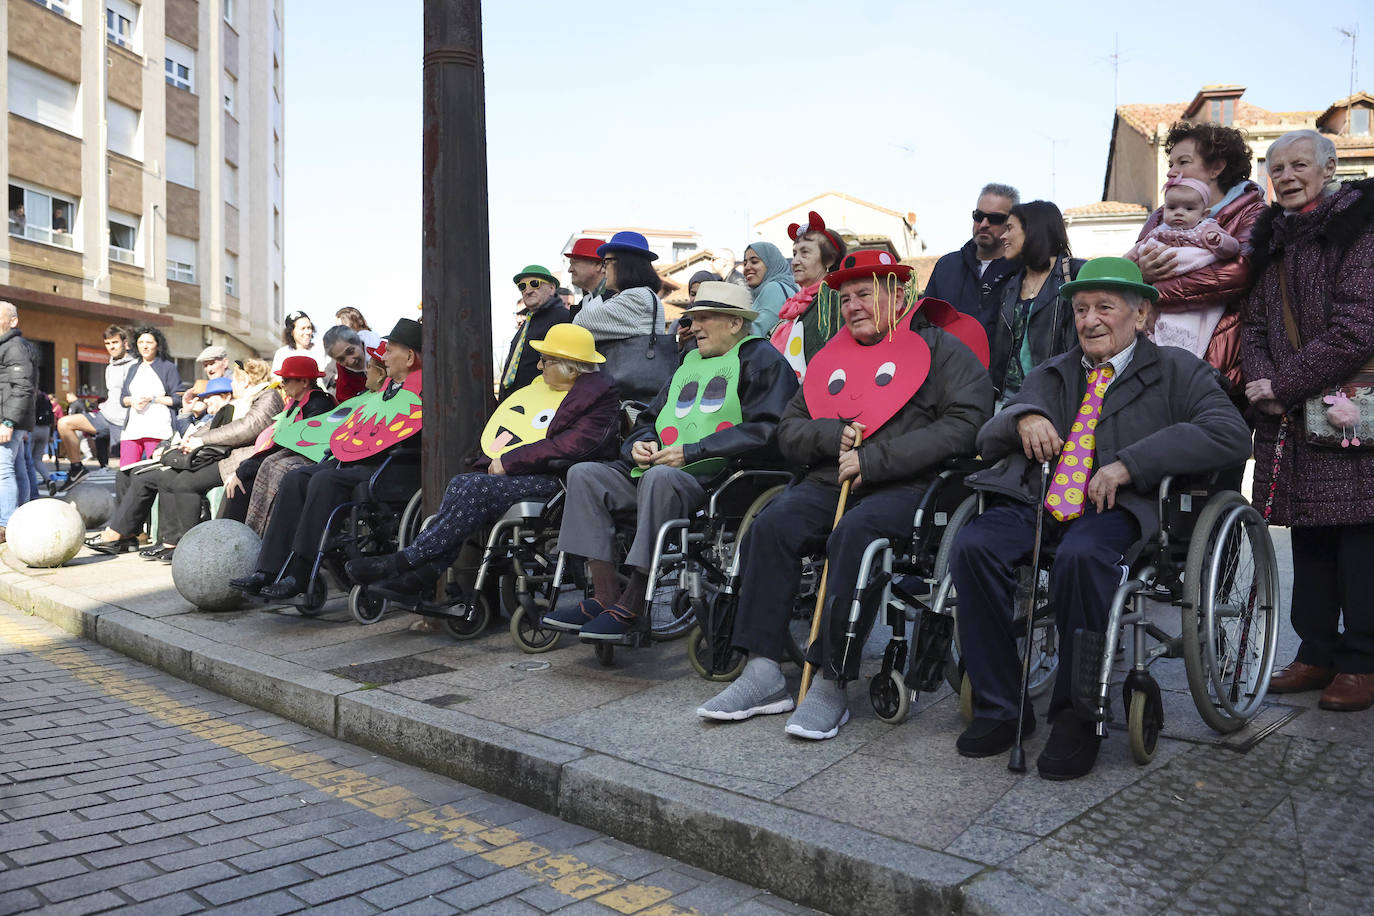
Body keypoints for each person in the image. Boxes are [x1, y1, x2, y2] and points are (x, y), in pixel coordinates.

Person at [950, 257, 1251, 779]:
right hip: (1038, 501)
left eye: (1105, 308)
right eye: (1082, 309)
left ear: (1141, 315)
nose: (1089, 320)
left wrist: (1132, 463)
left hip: (1119, 509)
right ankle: (1002, 707)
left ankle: (1077, 715)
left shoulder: (1177, 370)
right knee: (974, 546)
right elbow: (986, 437)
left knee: (1082, 557)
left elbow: (1230, 434)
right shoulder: (1055, 371)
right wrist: (1025, 417)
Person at [695, 252, 993, 740]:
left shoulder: (942, 351)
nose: (853, 306)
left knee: (855, 534)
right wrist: (831, 436)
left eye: (866, 294)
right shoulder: (829, 358)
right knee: (771, 525)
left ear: (898, 296)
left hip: (909, 486)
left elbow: (966, 424)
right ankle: (764, 671)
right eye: (846, 297)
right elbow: (789, 430)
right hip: (826, 481)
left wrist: (875, 460)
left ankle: (832, 679)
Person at [544, 282, 797, 640]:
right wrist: (639, 443)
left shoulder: (762, 360)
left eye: (704, 318)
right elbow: (650, 419)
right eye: (693, 318)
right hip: (662, 470)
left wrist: (694, 451)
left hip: (722, 479)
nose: (693, 326)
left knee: (660, 478)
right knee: (584, 474)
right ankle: (603, 597)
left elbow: (770, 429)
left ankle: (632, 604)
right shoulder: (688, 360)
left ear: (735, 323)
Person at [1242, 131, 1374, 712]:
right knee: (1309, 538)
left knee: (1360, 540)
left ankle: (1362, 661)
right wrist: (1263, 384)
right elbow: (1252, 326)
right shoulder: (1273, 238)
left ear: (1329, 168)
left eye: (1299, 164)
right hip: (1292, 420)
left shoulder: (1360, 228)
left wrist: (1284, 383)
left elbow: (1357, 327)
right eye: (1277, 167)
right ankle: (1315, 653)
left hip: (1349, 412)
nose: (1287, 175)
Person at [346, 324, 622, 594]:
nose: (539, 367)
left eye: (545, 361)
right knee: (463, 482)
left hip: (562, 482)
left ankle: (407, 561)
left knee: (475, 487)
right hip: (536, 473)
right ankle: (426, 570)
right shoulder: (552, 390)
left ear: (570, 368)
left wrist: (510, 461)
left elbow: (571, 446)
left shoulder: (599, 398)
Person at [231, 319, 425, 600]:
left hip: (391, 468)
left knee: (324, 479)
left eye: (390, 349)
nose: (382, 355)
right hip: (361, 462)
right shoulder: (387, 389)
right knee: (296, 477)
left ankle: (299, 571)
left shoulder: (421, 391)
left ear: (409, 357)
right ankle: (268, 569)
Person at [1133, 122, 1266, 391]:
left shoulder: (1252, 212)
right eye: (1171, 163)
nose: (1171, 171)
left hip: (1221, 353)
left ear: (1216, 167)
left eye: (1182, 161)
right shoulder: (1162, 215)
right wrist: (1139, 274)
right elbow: (1133, 262)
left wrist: (1151, 289)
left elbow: (1237, 274)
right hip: (1155, 346)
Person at [137, 359, 284, 561]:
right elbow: (216, 425)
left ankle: (190, 546)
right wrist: (192, 438)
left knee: (185, 483)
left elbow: (247, 427)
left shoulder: (268, 397)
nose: (231, 384)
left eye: (234, 380)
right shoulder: (244, 400)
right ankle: (174, 541)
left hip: (242, 459)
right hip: (225, 455)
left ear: (247, 381)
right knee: (170, 478)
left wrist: (201, 440)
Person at [85, 378, 236, 554]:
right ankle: (129, 535)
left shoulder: (217, 415)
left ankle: (119, 534)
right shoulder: (200, 415)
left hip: (197, 462)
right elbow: (174, 437)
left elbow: (196, 437)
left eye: (202, 398)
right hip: (182, 456)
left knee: (151, 478)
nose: (200, 400)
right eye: (200, 397)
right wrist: (164, 446)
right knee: (124, 475)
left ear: (226, 396)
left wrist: (186, 415)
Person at [1126, 178, 1242, 357]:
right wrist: (1127, 267)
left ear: (1204, 214)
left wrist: (1218, 242)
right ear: (1164, 210)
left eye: (1189, 209)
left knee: (1182, 331)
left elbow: (1232, 248)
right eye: (1172, 208)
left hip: (1190, 290)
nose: (1179, 213)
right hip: (1160, 290)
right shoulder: (1157, 231)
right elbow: (1134, 254)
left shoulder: (1206, 229)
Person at [227, 356, 338, 533]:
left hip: (304, 462)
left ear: (303, 381)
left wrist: (245, 469)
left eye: (286, 380)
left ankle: (247, 538)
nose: (282, 384)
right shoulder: (294, 403)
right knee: (239, 484)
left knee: (243, 485)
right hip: (280, 457)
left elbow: (292, 444)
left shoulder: (318, 404)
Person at [990, 201, 1083, 400]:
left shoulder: (1076, 275)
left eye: (1009, 228)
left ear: (1033, 229)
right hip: (1008, 399)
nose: (1002, 236)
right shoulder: (1010, 286)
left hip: (1056, 398)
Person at [574, 231, 672, 402]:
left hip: (631, 401)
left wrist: (598, 293)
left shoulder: (637, 298)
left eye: (607, 262)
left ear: (625, 263)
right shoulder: (636, 296)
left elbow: (580, 324)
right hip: (631, 396)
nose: (603, 270)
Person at [923, 183, 1021, 336]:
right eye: (979, 216)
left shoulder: (1023, 270)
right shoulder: (947, 266)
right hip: (949, 359)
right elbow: (923, 323)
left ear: (1012, 223)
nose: (984, 224)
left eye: (995, 218)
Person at [770, 210, 847, 381]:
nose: (795, 261)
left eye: (805, 253)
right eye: (794, 253)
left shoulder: (833, 301)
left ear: (829, 260)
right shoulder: (798, 305)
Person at [55, 325, 134, 488]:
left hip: (125, 424)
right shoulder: (110, 367)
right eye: (107, 343)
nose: (111, 347)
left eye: (115, 342)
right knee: (64, 423)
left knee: (128, 476)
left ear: (125, 343)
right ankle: (77, 468)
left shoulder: (135, 365)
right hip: (105, 417)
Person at [500, 265, 571, 402]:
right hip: (517, 403)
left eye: (534, 284)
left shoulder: (563, 318)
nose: (528, 291)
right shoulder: (528, 321)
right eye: (522, 287)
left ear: (551, 288)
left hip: (541, 405)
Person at [117, 327, 182, 467]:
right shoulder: (133, 368)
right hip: (132, 429)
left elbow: (177, 399)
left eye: (149, 342)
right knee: (126, 470)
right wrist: (132, 401)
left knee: (155, 470)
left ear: (157, 345)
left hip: (158, 427)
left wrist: (152, 399)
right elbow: (123, 398)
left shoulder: (168, 367)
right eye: (141, 342)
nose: (145, 346)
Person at [0, 302, 37, 541]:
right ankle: (20, 517)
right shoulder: (10, 346)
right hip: (13, 418)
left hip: (7, 419)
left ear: (13, 321)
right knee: (19, 468)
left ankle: (6, 524)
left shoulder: (14, 347)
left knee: (3, 470)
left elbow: (23, 386)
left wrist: (9, 421)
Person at [740, 242, 798, 338]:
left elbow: (757, 333)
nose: (746, 268)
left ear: (771, 263)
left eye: (754, 262)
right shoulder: (784, 285)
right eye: (745, 263)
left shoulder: (774, 288)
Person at [322, 325, 370, 402]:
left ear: (359, 343)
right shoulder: (344, 374)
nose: (351, 361)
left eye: (350, 351)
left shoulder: (381, 352)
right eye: (341, 359)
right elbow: (347, 404)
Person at [565, 237, 607, 321]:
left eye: (574, 263)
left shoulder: (616, 300)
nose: (570, 270)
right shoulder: (587, 301)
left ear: (598, 265)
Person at [30, 389, 53, 491]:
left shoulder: (30, 397)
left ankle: (31, 486)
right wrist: (52, 435)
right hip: (46, 430)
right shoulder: (45, 398)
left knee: (27, 459)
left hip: (33, 429)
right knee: (37, 459)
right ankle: (48, 479)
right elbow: (53, 417)